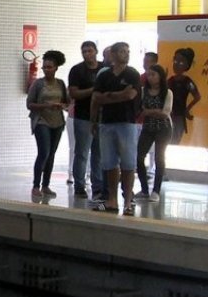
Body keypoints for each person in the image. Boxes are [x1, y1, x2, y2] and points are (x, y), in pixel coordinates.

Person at [91, 42, 142, 215]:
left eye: (128, 51)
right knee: (109, 162)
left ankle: (128, 200)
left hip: (127, 122)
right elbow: (97, 97)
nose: (126, 54)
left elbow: (131, 95)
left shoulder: (133, 74)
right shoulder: (104, 76)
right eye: (122, 51)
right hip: (107, 122)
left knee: (128, 162)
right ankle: (111, 199)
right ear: (112, 55)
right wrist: (117, 95)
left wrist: (109, 96)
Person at [26, 50, 69, 198]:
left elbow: (67, 102)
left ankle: (46, 185)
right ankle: (36, 185)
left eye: (50, 67)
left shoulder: (61, 84)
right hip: (41, 121)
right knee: (43, 152)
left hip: (57, 122)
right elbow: (29, 104)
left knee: (51, 154)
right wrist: (46, 106)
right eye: (45, 67)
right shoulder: (38, 84)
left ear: (56, 68)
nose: (47, 70)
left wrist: (62, 106)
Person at [67, 41, 103, 199]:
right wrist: (93, 90)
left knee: (99, 153)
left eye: (90, 50)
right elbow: (74, 93)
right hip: (83, 116)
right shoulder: (77, 70)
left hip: (102, 117)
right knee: (82, 152)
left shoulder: (104, 69)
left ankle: (98, 185)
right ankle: (79, 185)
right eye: (84, 51)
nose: (87, 54)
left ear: (96, 51)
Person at [135, 64, 173, 201]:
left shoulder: (167, 92)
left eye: (153, 75)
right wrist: (154, 112)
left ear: (160, 76)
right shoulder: (143, 91)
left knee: (159, 158)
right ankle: (144, 189)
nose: (150, 78)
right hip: (147, 127)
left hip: (164, 128)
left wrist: (149, 112)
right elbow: (140, 110)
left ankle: (156, 191)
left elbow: (164, 113)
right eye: (148, 75)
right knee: (139, 157)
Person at [168, 47, 201, 145]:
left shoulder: (187, 82)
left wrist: (187, 109)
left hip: (179, 116)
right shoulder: (169, 81)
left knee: (175, 140)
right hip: (168, 115)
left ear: (187, 65)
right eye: (175, 60)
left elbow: (197, 96)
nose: (176, 64)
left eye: (181, 62)